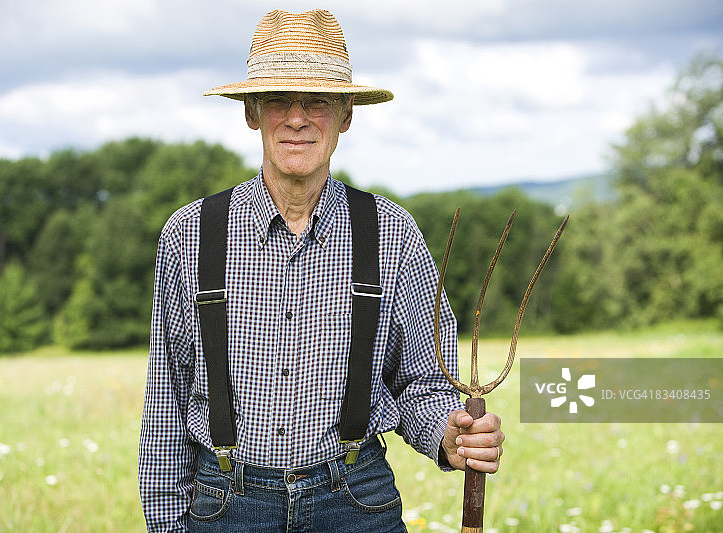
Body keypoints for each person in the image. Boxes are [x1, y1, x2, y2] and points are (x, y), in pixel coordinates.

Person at [139, 9, 504, 532]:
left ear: (347, 115)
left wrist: (451, 434)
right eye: (278, 101)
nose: (296, 118)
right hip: (225, 505)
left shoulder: (391, 232)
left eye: (318, 101)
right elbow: (166, 405)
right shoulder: (192, 233)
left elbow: (424, 383)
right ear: (250, 112)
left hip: (355, 501)